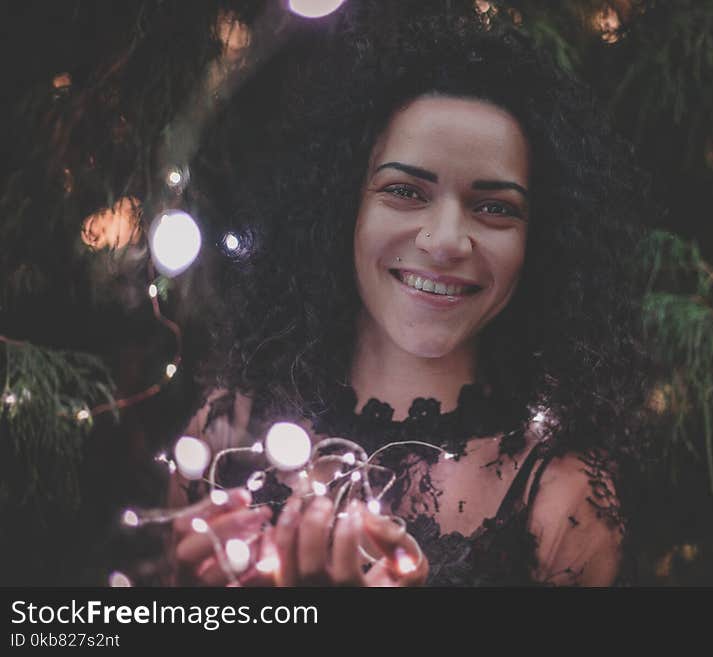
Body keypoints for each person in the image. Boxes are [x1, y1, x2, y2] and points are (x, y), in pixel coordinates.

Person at [168, 0, 647, 587]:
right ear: (345, 207)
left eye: (494, 208)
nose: (445, 241)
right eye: (405, 191)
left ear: (541, 243)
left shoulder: (563, 501)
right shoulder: (226, 440)